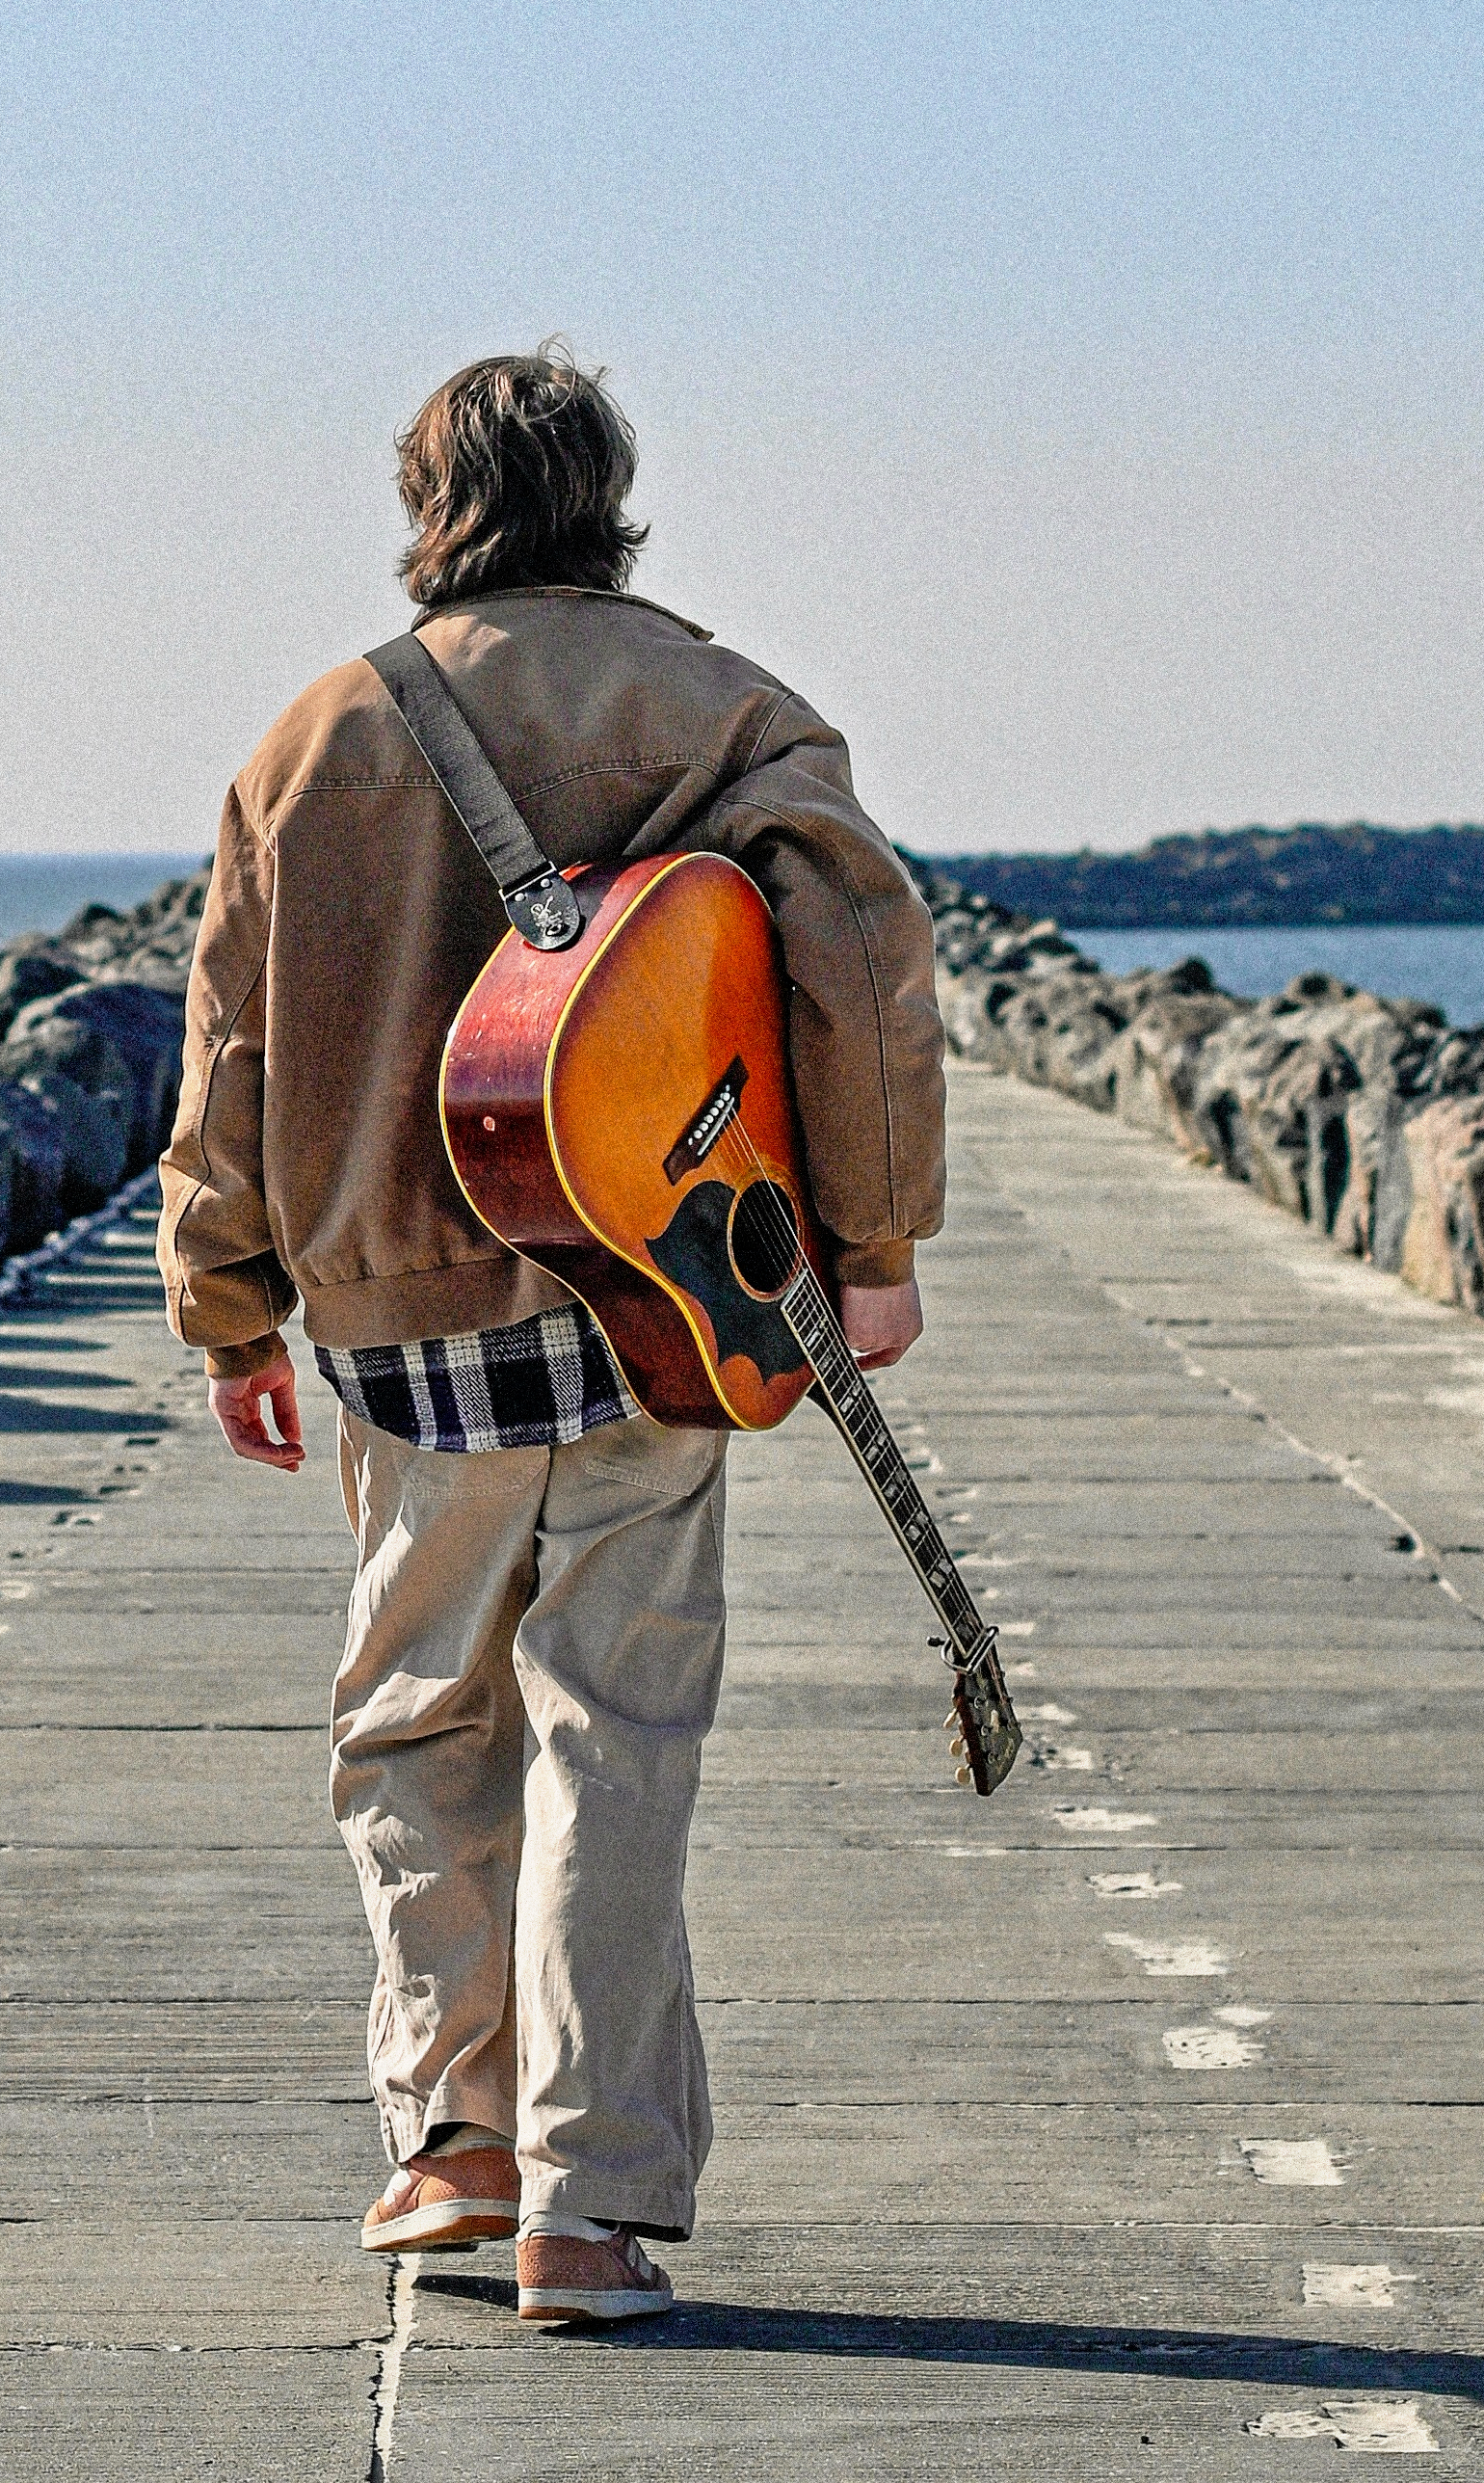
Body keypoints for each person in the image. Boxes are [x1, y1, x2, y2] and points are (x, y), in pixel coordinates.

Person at [157, 347, 945, 2327]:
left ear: (429, 498)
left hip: (398, 1317)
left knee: (416, 1719)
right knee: (619, 1732)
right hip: (654, 1311)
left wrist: (225, 1292)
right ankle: (586, 2214)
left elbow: (231, 1035)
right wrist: (869, 1238)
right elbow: (854, 957)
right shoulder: (726, 707)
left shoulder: (315, 735)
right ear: (610, 493)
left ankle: (450, 2148)